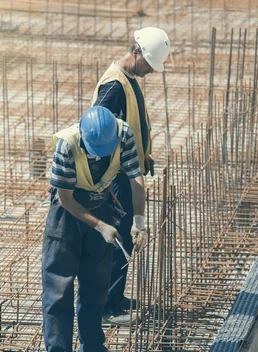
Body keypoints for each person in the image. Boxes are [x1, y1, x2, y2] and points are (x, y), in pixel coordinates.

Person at [42, 106, 148, 352]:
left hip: (101, 205)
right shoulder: (67, 145)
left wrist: (139, 221)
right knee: (59, 287)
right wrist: (101, 226)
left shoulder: (122, 134)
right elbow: (65, 199)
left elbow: (136, 178)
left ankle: (92, 350)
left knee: (97, 284)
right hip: (67, 215)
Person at [91, 27, 171, 325]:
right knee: (119, 237)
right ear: (136, 52)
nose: (151, 71)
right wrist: (120, 165)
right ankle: (108, 308)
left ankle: (116, 296)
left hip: (127, 168)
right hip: (116, 176)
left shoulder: (129, 79)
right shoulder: (114, 85)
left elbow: (131, 122)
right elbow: (96, 128)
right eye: (149, 64)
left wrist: (143, 152)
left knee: (124, 235)